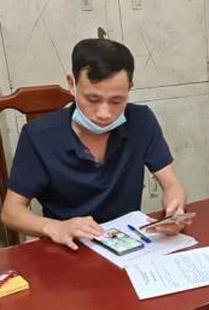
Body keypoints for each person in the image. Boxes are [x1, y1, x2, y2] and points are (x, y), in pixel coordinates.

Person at [1, 38, 188, 250]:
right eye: (92, 99)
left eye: (117, 101)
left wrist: (175, 208)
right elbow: (11, 212)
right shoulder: (39, 136)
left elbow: (171, 183)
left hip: (128, 244)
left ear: (129, 88)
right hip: (70, 247)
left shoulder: (141, 121)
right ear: (72, 84)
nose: (104, 114)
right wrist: (55, 227)